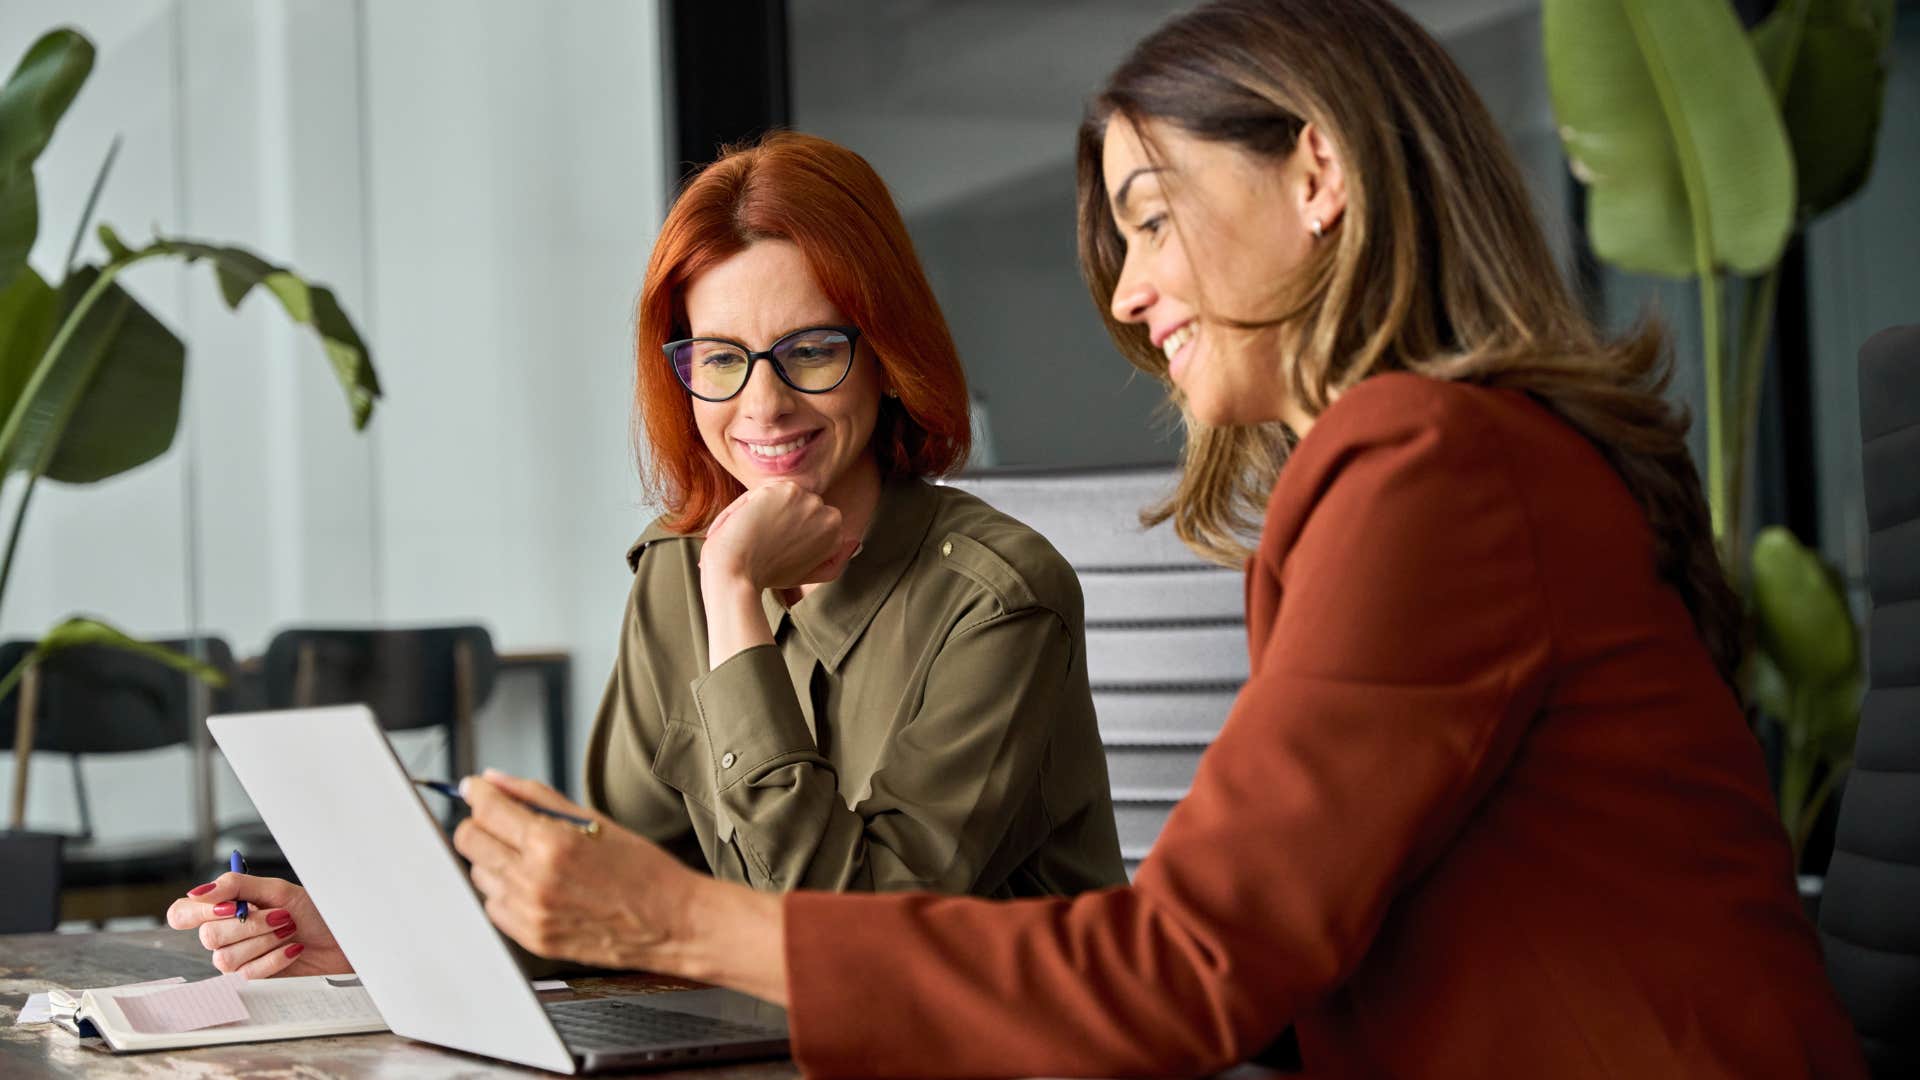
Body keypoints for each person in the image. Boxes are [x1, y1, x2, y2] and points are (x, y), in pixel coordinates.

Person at [438, 1, 1870, 1076]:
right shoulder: (1429, 467)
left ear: (1319, 173)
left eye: (1149, 219)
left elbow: (1185, 969)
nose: (1125, 296)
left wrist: (680, 924)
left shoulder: (1436, 467)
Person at [167, 132, 1126, 980]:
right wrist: (373, 933)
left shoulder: (998, 599)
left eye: (811, 350)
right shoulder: (677, 570)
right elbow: (620, 885)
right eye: (720, 358)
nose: (763, 406)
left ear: (885, 354)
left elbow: (845, 941)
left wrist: (736, 596)